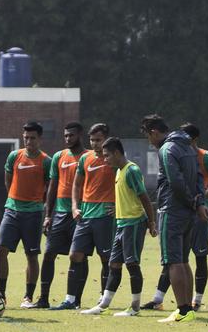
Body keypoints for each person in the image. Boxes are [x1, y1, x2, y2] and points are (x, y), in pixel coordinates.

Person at [145, 123, 208, 312]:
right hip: (191, 207)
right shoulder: (183, 152)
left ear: (194, 140)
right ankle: (160, 299)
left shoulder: (204, 156)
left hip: (191, 208)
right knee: (180, 258)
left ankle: (194, 302)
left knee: (195, 256)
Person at [140, 114, 208, 324]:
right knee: (184, 260)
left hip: (173, 210)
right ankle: (188, 310)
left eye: (147, 136)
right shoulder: (188, 146)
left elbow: (176, 181)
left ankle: (182, 310)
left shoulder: (167, 149)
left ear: (153, 132)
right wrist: (199, 203)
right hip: (188, 212)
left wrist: (190, 202)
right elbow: (198, 176)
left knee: (172, 261)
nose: (149, 142)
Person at [80, 137, 156, 316]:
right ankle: (103, 305)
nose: (104, 159)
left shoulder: (132, 170)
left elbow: (145, 198)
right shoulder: (118, 171)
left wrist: (151, 223)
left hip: (134, 224)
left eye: (107, 156)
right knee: (114, 264)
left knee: (132, 264)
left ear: (116, 153)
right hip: (121, 225)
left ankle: (135, 308)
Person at [54, 123, 115, 310]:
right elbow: (77, 185)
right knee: (75, 255)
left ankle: (103, 300)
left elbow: (125, 182)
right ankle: (71, 300)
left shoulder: (114, 160)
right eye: (92, 140)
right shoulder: (85, 159)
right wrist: (74, 206)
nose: (95, 143)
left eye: (98, 140)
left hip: (105, 215)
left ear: (106, 139)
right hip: (85, 215)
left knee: (106, 258)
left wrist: (118, 205)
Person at [0, 121, 49, 308]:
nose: (28, 141)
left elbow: (49, 189)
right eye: (25, 137)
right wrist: (15, 200)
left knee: (31, 255)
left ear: (39, 139)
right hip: (11, 211)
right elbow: (8, 181)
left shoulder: (46, 161)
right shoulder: (14, 156)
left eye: (32, 138)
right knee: (1, 250)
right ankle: (0, 294)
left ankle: (28, 296)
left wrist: (39, 205)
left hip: (33, 214)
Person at [35, 121, 85, 308]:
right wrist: (48, 215)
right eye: (65, 135)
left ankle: (76, 300)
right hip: (59, 214)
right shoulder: (59, 156)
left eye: (71, 135)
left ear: (80, 135)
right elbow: (52, 187)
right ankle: (43, 299)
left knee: (80, 256)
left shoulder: (88, 157)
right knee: (48, 253)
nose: (67, 138)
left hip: (80, 214)